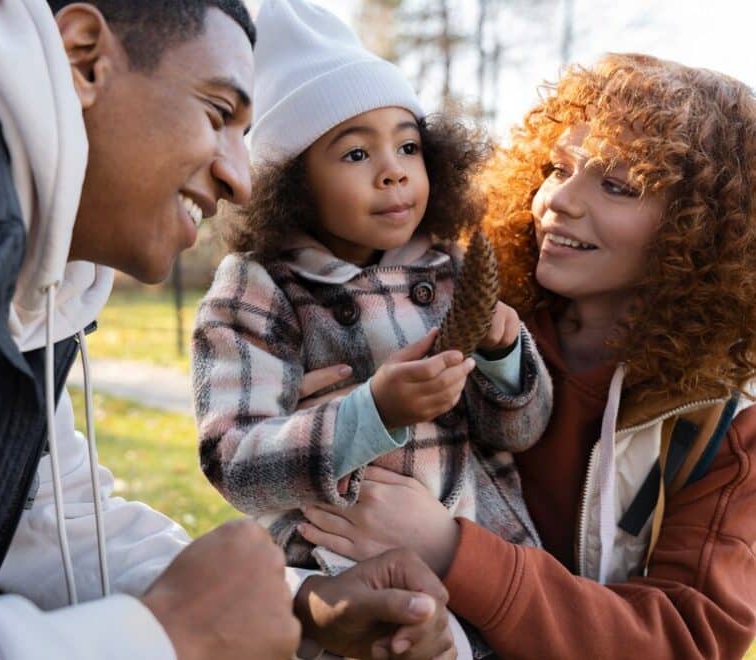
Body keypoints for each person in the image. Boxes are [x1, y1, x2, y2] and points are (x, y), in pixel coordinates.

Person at [0, 1, 458, 658]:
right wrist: (160, 639)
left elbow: (56, 524)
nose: (239, 178)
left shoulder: (18, 292)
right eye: (217, 114)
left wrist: (300, 602)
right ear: (84, 58)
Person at [297, 53, 756, 658]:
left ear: (702, 231)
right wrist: (319, 425)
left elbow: (682, 638)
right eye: (557, 167)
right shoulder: (459, 317)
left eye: (617, 185)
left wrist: (450, 551)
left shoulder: (724, 427)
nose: (558, 200)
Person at [193, 0, 551, 596]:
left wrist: (503, 354)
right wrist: (372, 414)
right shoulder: (256, 290)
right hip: (345, 570)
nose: (393, 172)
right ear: (292, 184)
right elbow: (233, 462)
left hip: (478, 558)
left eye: (408, 147)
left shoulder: (451, 271)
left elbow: (520, 433)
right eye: (356, 154)